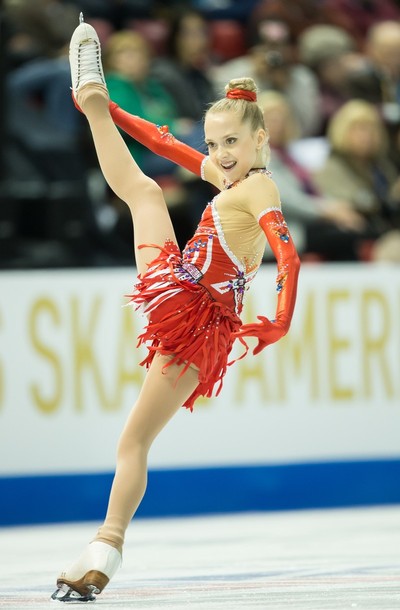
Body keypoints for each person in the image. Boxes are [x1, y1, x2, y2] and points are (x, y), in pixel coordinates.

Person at [51, 16, 300, 602]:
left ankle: (104, 549)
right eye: (214, 144)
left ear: (260, 140)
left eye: (231, 143)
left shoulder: (259, 188)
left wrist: (282, 321)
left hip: (192, 312)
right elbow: (166, 145)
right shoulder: (233, 181)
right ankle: (92, 98)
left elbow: (288, 257)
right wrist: (112, 111)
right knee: (147, 190)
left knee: (133, 442)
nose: (219, 154)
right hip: (187, 297)